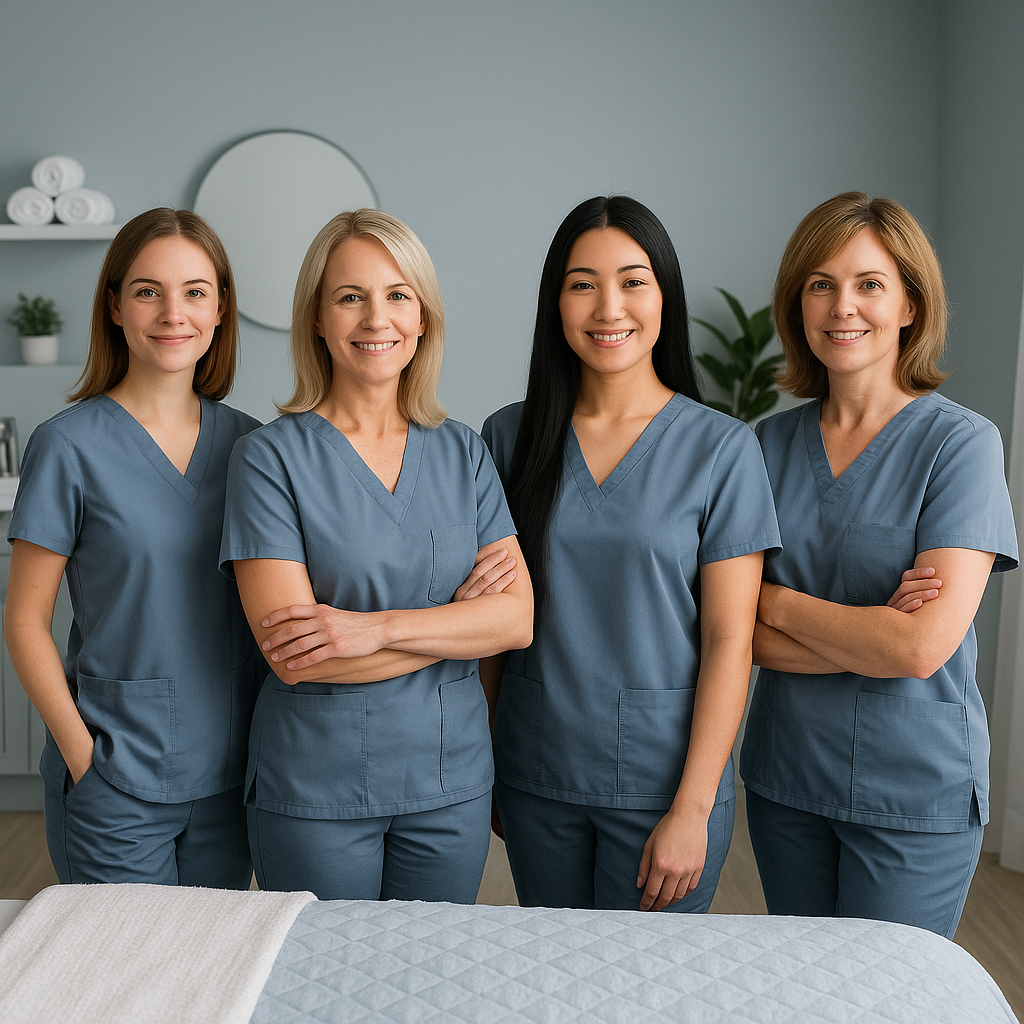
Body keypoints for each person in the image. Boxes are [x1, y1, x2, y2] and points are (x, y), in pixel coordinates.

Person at [220, 208, 533, 902]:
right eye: (349, 297)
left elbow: (514, 622)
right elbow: (296, 654)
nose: (376, 319)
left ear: (422, 319)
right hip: (313, 791)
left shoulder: (463, 451)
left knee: (428, 997)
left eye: (397, 296)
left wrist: (372, 628)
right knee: (322, 998)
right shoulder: (268, 459)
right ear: (318, 320)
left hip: (448, 788)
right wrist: (456, 631)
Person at [481, 195, 781, 912]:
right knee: (557, 988)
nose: (608, 306)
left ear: (664, 295)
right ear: (556, 301)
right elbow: (489, 623)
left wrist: (693, 808)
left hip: (665, 786)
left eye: (633, 280)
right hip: (535, 773)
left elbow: (729, 637)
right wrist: (486, 763)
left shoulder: (722, 448)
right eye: (582, 283)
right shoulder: (507, 436)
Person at [740, 192, 1018, 938]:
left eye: (869, 284)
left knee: (891, 1003)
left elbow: (920, 647)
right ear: (798, 305)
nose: (843, 307)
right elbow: (726, 635)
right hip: (787, 782)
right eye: (820, 284)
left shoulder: (961, 446)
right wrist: (870, 632)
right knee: (805, 996)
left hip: (914, 794)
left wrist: (774, 603)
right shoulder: (763, 448)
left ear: (909, 307)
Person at [4, 208, 261, 886]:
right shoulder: (67, 446)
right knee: (123, 981)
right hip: (112, 776)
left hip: (232, 778)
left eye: (195, 291)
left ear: (221, 307)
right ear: (115, 305)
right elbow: (25, 620)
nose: (173, 312)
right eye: (148, 290)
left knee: (213, 975)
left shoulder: (255, 447)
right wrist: (82, 754)